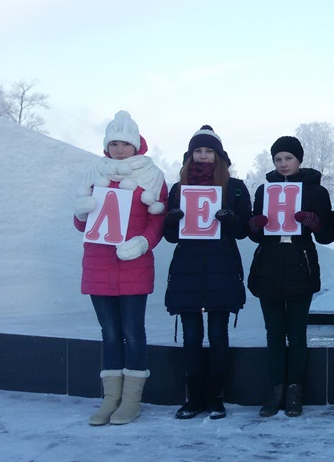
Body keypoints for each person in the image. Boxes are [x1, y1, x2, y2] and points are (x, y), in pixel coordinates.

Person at [73, 110, 167, 426]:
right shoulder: (94, 173)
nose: (118, 149)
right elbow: (81, 224)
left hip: (133, 265)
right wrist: (81, 212)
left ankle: (131, 401)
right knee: (109, 333)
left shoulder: (152, 176)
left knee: (132, 332)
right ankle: (110, 399)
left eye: (124, 143)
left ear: (136, 144)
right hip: (98, 265)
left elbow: (158, 221)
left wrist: (142, 243)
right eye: (113, 143)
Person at [162, 126, 252, 420]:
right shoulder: (178, 189)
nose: (203, 156)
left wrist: (231, 219)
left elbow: (243, 232)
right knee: (190, 338)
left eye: (208, 151)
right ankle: (193, 398)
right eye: (198, 151)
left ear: (219, 155)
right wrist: (171, 221)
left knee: (218, 336)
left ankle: (215, 398)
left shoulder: (235, 187)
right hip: (187, 270)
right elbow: (172, 238)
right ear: (190, 156)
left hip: (222, 269)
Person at [247, 136, 334, 418]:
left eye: (288, 158)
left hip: (300, 264)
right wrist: (254, 226)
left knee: (296, 333)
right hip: (269, 265)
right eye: (278, 159)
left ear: (299, 159)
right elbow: (255, 234)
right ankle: (276, 390)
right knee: (274, 333)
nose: (283, 164)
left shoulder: (315, 192)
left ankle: (295, 391)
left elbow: (328, 235)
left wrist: (315, 222)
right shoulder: (265, 189)